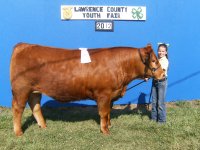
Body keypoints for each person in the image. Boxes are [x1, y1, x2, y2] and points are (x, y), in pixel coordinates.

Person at [147, 43, 169, 123]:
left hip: (162, 83)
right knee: (154, 101)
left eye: (163, 51)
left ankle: (161, 121)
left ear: (166, 52)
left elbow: (160, 72)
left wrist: (151, 75)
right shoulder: (156, 60)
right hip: (155, 81)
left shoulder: (165, 61)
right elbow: (152, 70)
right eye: (159, 51)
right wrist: (148, 77)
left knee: (160, 103)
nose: (161, 53)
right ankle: (153, 119)